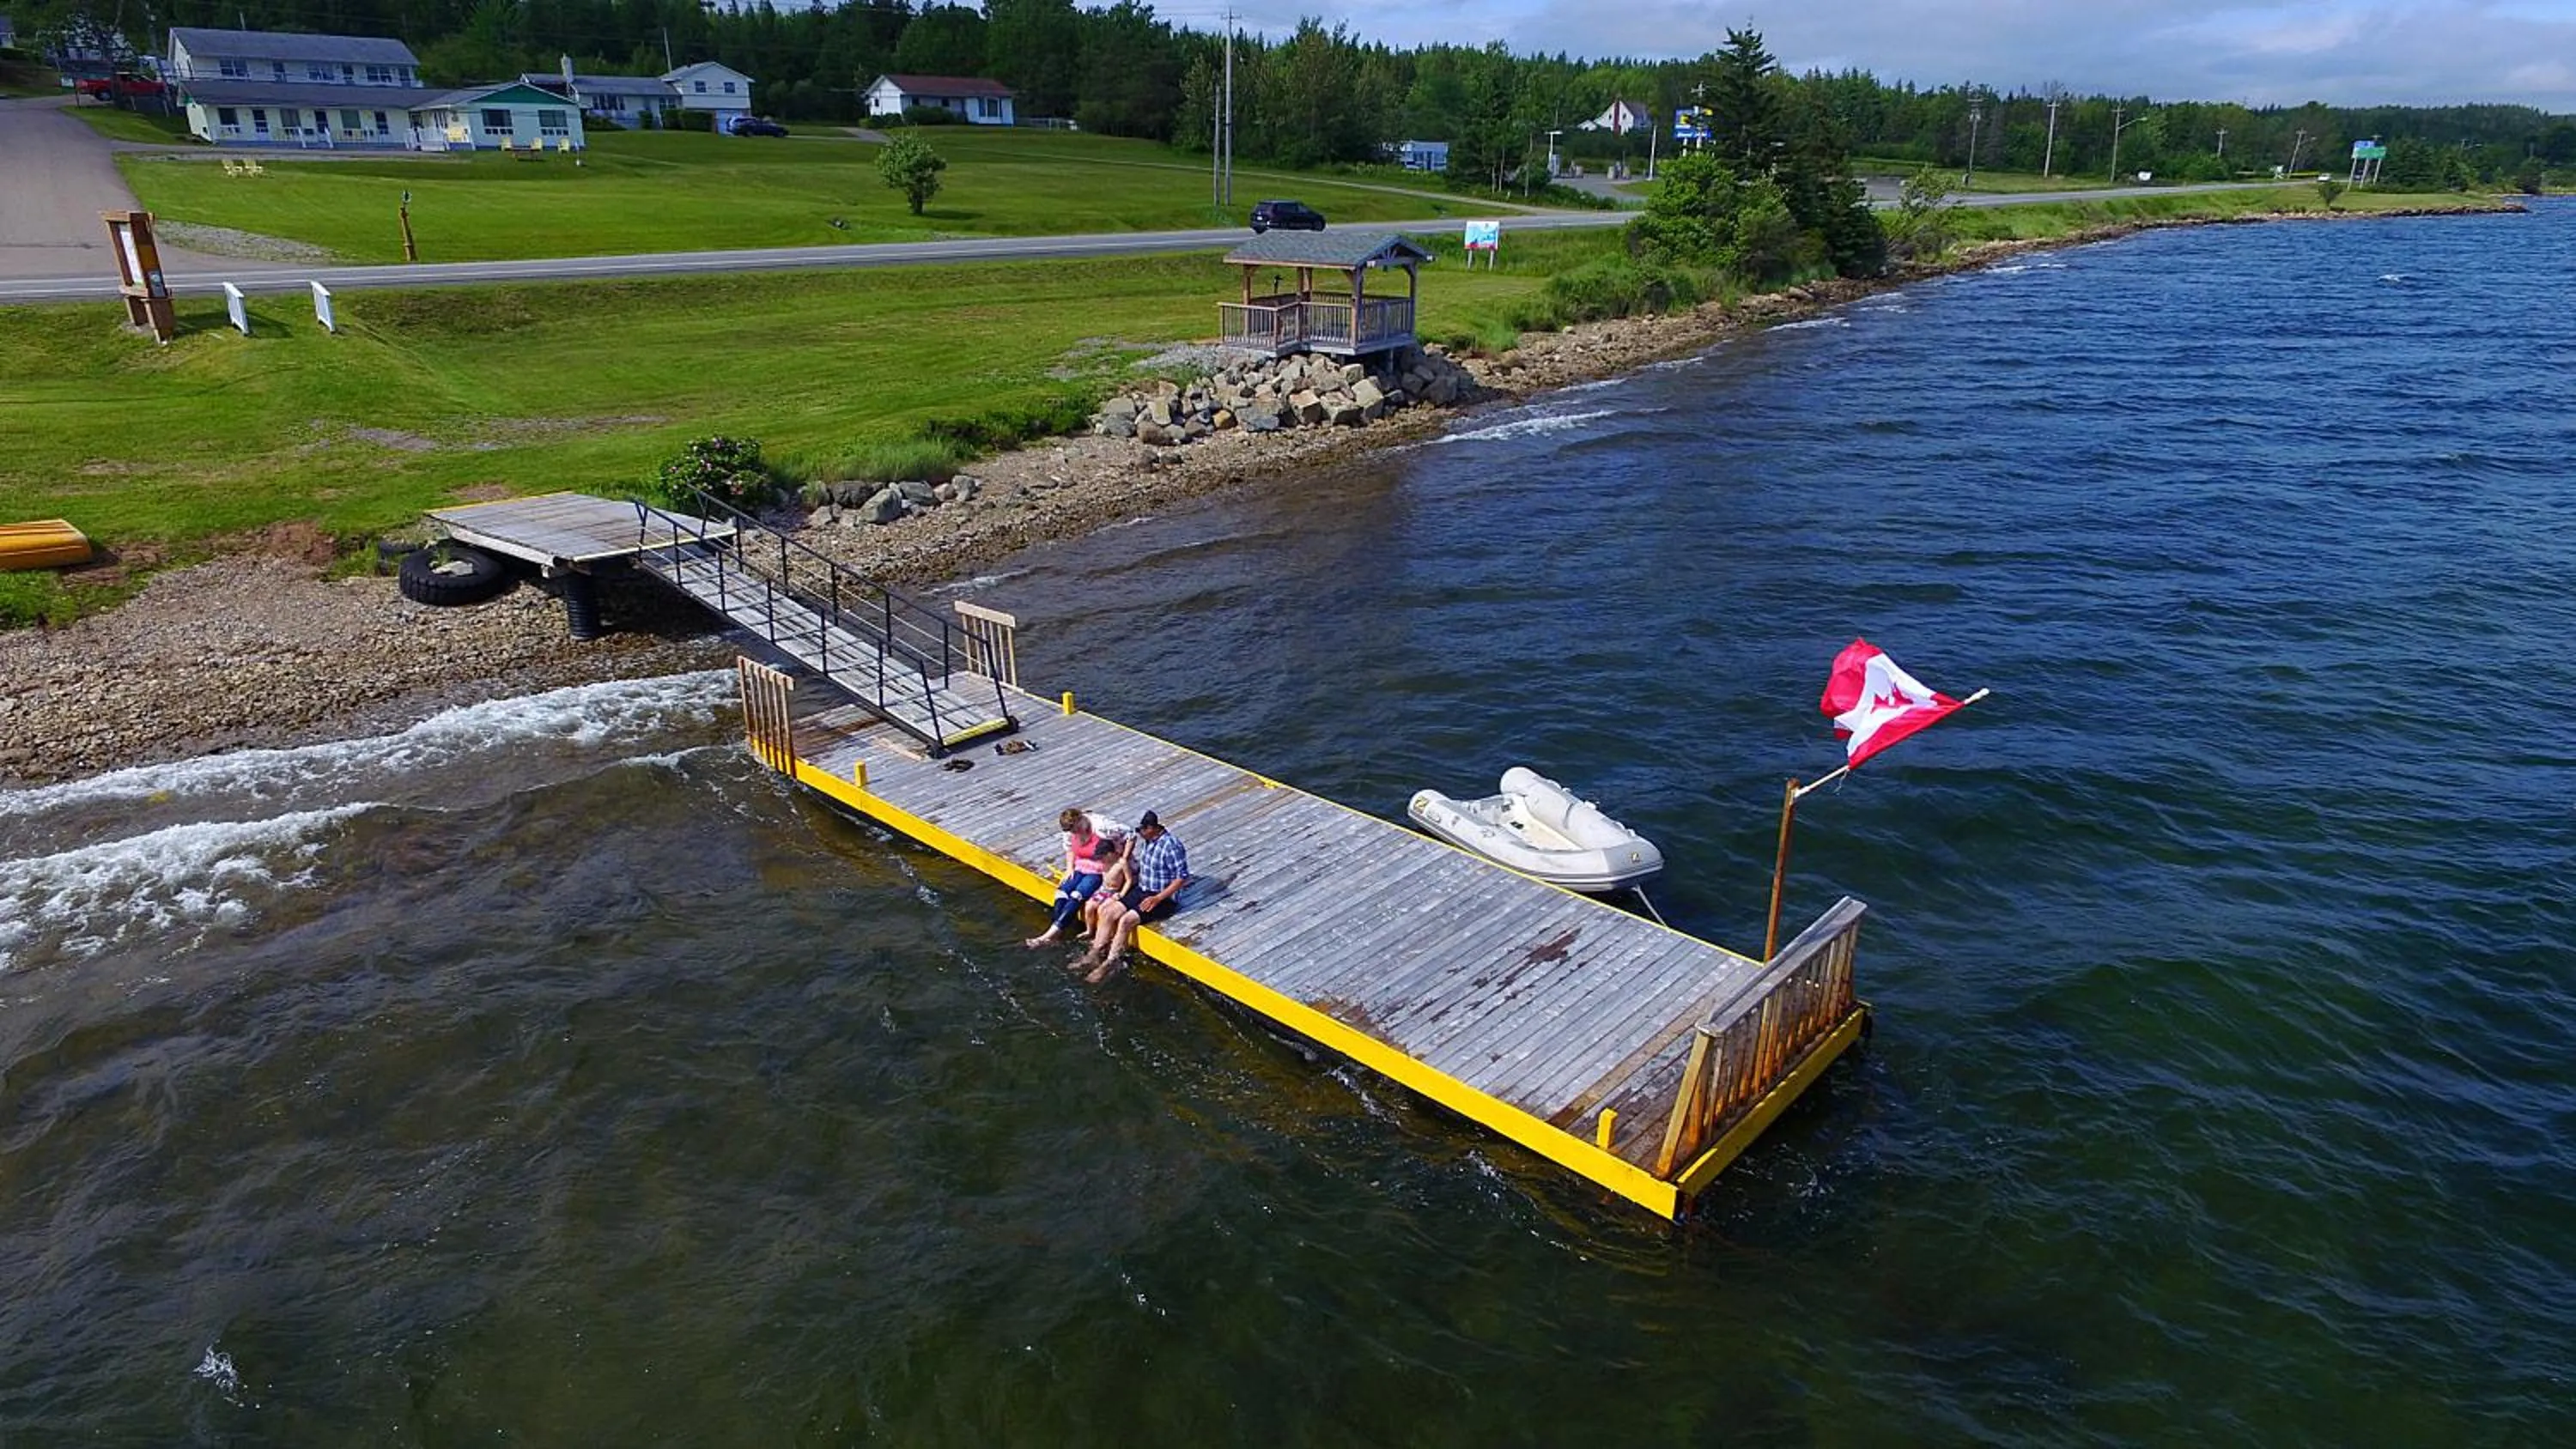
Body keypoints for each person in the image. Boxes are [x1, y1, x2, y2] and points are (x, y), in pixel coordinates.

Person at [1078, 810, 1189, 983]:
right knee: (1107, 912)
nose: (1141, 833)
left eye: (1143, 830)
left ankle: (1110, 962)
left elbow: (1182, 877)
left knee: (1125, 921)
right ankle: (1095, 952)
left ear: (1152, 828)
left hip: (1163, 898)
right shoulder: (1148, 841)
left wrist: (1158, 898)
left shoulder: (1171, 846)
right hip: (1143, 889)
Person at [1025, 808, 1128, 948]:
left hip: (1097, 871)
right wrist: (1069, 868)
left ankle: (1048, 935)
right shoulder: (1071, 833)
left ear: (1080, 820)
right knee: (1061, 893)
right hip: (1080, 867)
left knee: (1076, 895)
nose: (1074, 833)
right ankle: (1057, 930)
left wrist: (1123, 860)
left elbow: (1129, 834)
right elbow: (1069, 849)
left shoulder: (1101, 828)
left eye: (1075, 829)